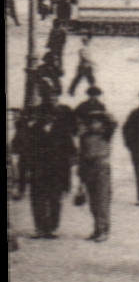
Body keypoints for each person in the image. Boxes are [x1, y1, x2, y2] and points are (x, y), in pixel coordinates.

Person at [22, 86, 78, 239]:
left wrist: (71, 162)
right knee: (38, 198)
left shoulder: (62, 130)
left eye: (51, 116)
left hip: (57, 170)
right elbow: (27, 148)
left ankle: (52, 227)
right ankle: (40, 227)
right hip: (39, 169)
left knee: (55, 199)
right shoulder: (35, 131)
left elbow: (71, 149)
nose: (48, 118)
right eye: (46, 116)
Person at [75, 90, 117, 242]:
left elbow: (113, 122)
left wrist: (103, 113)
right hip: (88, 169)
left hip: (101, 169)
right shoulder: (84, 136)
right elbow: (81, 155)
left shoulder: (106, 134)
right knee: (93, 202)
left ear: (102, 123)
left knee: (102, 201)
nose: (93, 124)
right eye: (91, 121)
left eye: (96, 121)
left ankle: (104, 230)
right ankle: (97, 229)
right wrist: (80, 176)